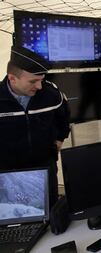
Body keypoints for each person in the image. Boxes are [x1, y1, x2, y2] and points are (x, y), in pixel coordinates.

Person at [0, 45, 70, 208]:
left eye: (41, 80)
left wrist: (60, 139)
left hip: (45, 169)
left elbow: (64, 115)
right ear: (12, 78)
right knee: (17, 219)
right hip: (8, 175)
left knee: (51, 215)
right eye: (33, 81)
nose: (39, 86)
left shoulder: (51, 94)